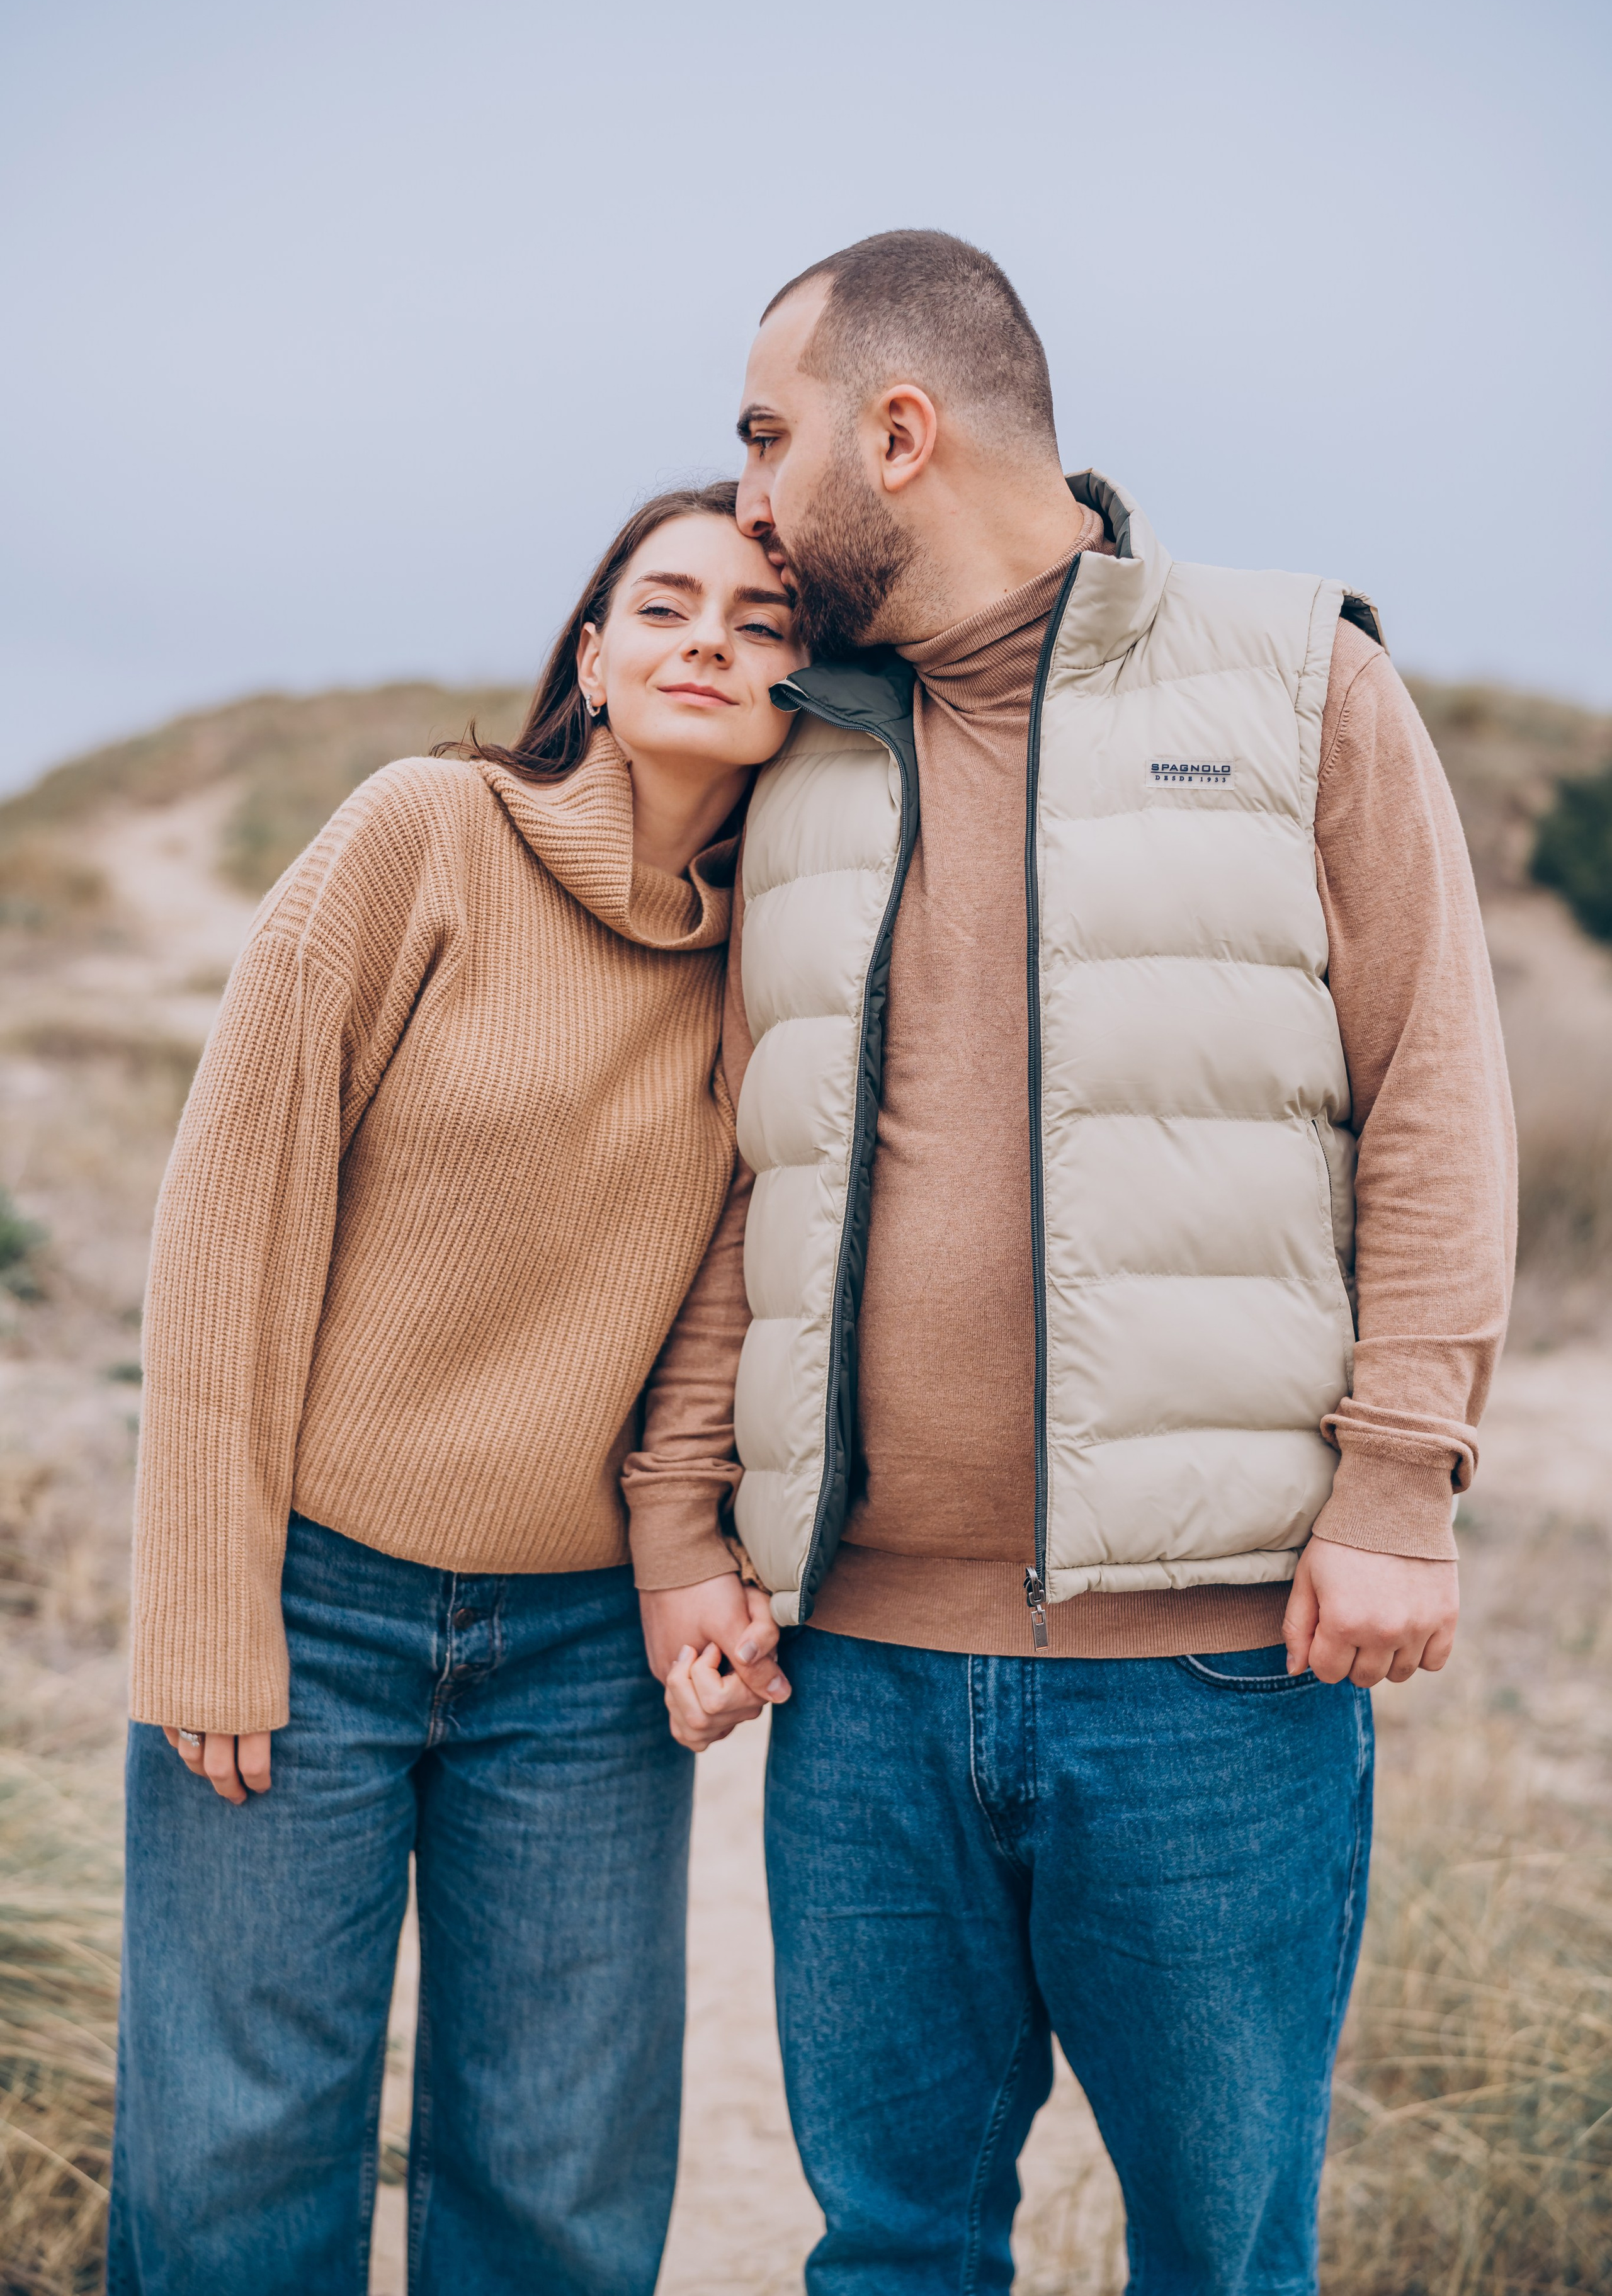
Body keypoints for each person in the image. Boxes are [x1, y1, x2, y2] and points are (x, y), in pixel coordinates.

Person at [642, 232, 1516, 2293]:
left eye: (770, 438)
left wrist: (1402, 1481)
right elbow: (736, 1182)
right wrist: (682, 1515)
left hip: (1212, 1682)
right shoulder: (800, 754)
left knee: (1223, 2258)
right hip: (857, 1681)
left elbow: (1437, 1099)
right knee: (892, 2251)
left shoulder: (1300, 679)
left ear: (904, 432)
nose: (749, 494)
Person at [109, 480, 797, 2296]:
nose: (710, 638)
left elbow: (727, 1302)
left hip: (578, 1663)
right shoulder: (424, 835)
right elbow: (231, 1222)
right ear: (591, 652)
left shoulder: (781, 965)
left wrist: (687, 1561)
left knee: (557, 2187)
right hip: (307, 1601)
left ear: (815, 694)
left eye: (765, 619)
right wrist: (202, 1608)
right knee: (236, 2156)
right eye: (664, 603)